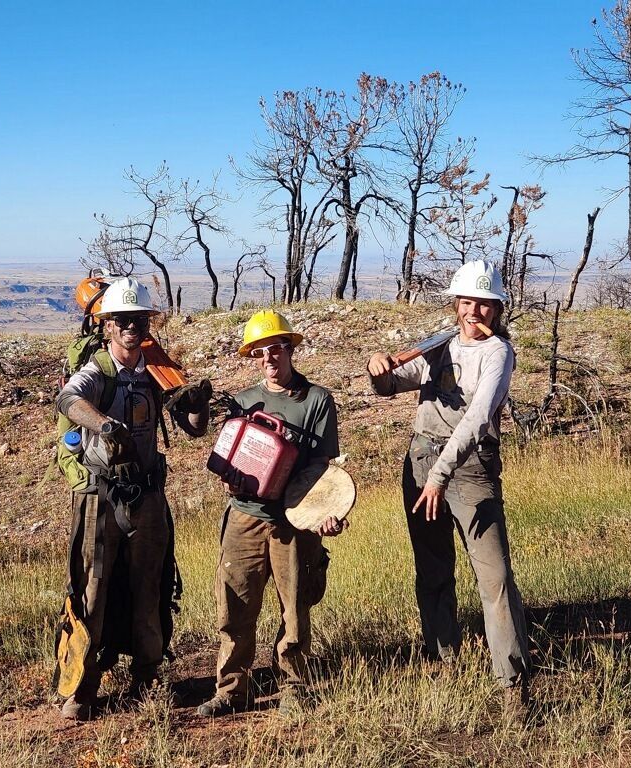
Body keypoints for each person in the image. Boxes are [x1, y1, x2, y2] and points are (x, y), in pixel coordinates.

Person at [366, 260, 531, 720]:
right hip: (420, 462)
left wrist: (440, 477)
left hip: (469, 469)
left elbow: (479, 418)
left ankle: (512, 683)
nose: (474, 311)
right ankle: (444, 660)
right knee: (433, 567)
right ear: (455, 305)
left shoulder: (499, 352)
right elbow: (391, 385)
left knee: (494, 578)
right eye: (466, 302)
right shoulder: (438, 345)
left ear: (496, 309)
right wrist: (377, 368)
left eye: (483, 303)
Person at [54, 277, 209, 721]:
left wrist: (198, 403)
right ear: (106, 326)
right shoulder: (97, 370)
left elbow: (193, 428)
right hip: (101, 496)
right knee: (93, 589)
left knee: (150, 586)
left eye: (139, 319)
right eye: (122, 320)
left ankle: (148, 675)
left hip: (147, 496)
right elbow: (69, 399)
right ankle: (82, 686)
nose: (131, 328)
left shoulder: (160, 371)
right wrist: (103, 425)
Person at [197, 309, 347, 718]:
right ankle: (231, 689)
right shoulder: (244, 402)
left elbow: (323, 469)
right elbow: (229, 458)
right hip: (244, 517)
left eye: (276, 349)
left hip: (294, 520)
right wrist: (229, 480)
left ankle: (295, 685)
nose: (269, 359)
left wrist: (327, 514)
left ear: (290, 350)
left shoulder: (316, 400)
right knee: (234, 604)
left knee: (294, 607)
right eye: (260, 352)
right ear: (253, 358)